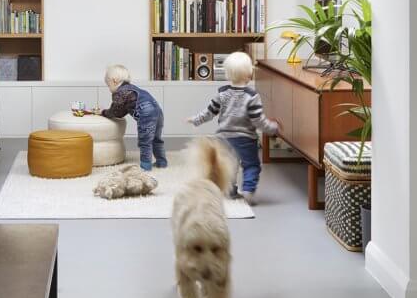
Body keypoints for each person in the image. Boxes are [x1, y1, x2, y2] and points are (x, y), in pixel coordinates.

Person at [187, 51, 280, 203]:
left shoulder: (222, 93)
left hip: (222, 138)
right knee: (251, 165)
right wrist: (272, 128)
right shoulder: (252, 96)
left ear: (227, 74)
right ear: (249, 74)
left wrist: (196, 120)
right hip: (245, 139)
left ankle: (230, 190)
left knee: (228, 165)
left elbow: (209, 112)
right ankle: (248, 190)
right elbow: (258, 121)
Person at [95, 64, 166, 171]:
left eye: (108, 85)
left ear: (114, 81)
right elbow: (122, 111)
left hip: (146, 112)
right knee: (156, 139)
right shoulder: (132, 89)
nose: (109, 88)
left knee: (145, 141)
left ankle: (145, 166)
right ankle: (162, 162)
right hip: (158, 110)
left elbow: (115, 112)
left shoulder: (119, 93)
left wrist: (103, 112)